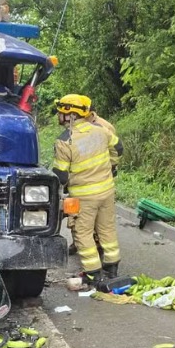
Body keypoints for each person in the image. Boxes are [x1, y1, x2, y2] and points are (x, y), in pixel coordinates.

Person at [52, 94, 124, 284]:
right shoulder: (100, 131)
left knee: (82, 233)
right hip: (107, 192)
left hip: (84, 197)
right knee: (107, 229)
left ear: (70, 115)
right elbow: (119, 147)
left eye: (60, 112)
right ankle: (112, 268)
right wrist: (112, 166)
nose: (58, 116)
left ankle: (94, 273)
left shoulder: (64, 141)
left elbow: (61, 176)